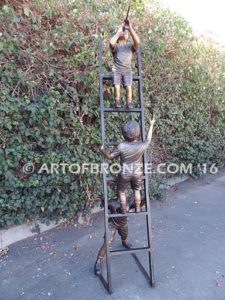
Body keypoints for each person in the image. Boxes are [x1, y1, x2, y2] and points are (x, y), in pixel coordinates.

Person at [99, 116, 155, 214]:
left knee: (121, 191)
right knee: (137, 190)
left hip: (125, 173)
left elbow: (109, 157)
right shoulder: (141, 145)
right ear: (137, 134)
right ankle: (137, 208)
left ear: (124, 134)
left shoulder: (121, 146)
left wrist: (102, 149)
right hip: (137, 173)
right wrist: (151, 125)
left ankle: (123, 210)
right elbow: (148, 139)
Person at [109, 20, 140, 108]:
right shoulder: (116, 46)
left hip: (127, 70)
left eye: (125, 33)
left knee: (128, 87)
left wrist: (130, 29)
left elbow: (137, 42)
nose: (124, 33)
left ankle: (129, 102)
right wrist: (119, 32)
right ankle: (117, 101)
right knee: (117, 86)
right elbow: (111, 42)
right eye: (123, 32)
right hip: (117, 70)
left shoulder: (130, 46)